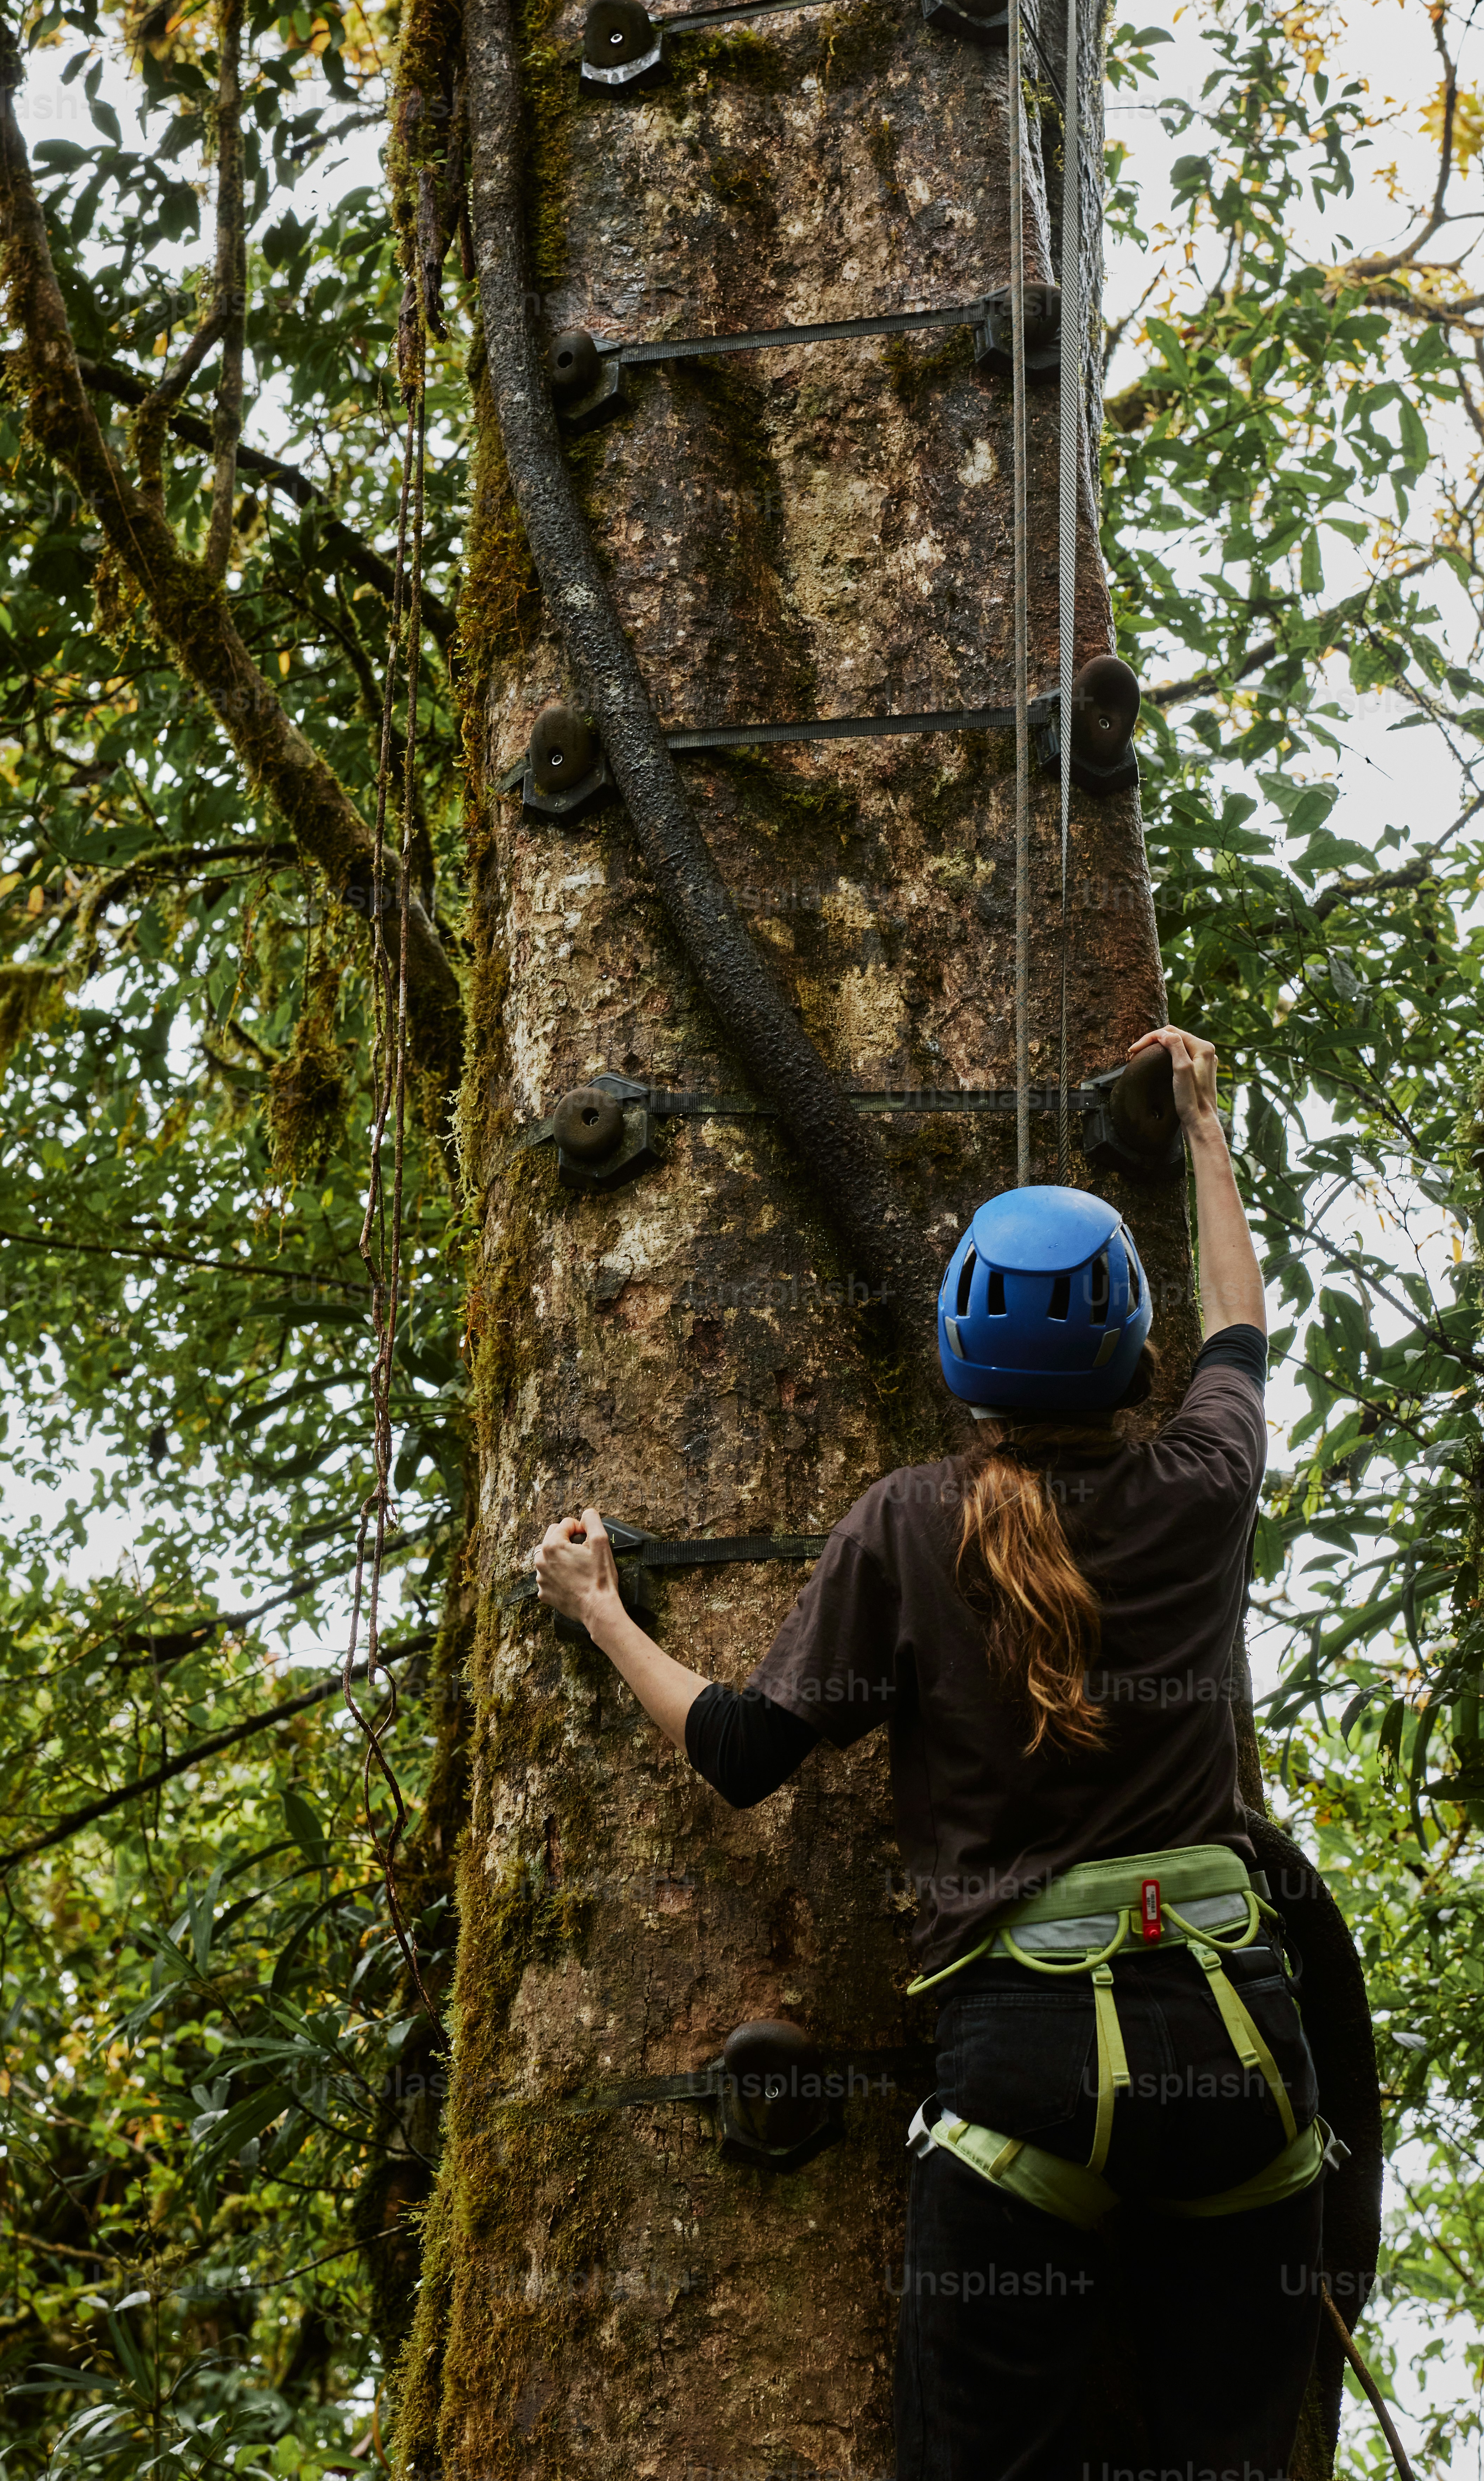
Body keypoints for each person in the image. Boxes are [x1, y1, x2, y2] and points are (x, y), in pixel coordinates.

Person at [535, 1026, 1325, 2481]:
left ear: (965, 1353)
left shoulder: (909, 1524)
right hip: (1240, 2048)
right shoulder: (1204, 1483)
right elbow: (1241, 1332)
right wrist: (1206, 1132)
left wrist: (600, 1614)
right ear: (1127, 1352)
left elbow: (742, 1747)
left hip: (1027, 2064)